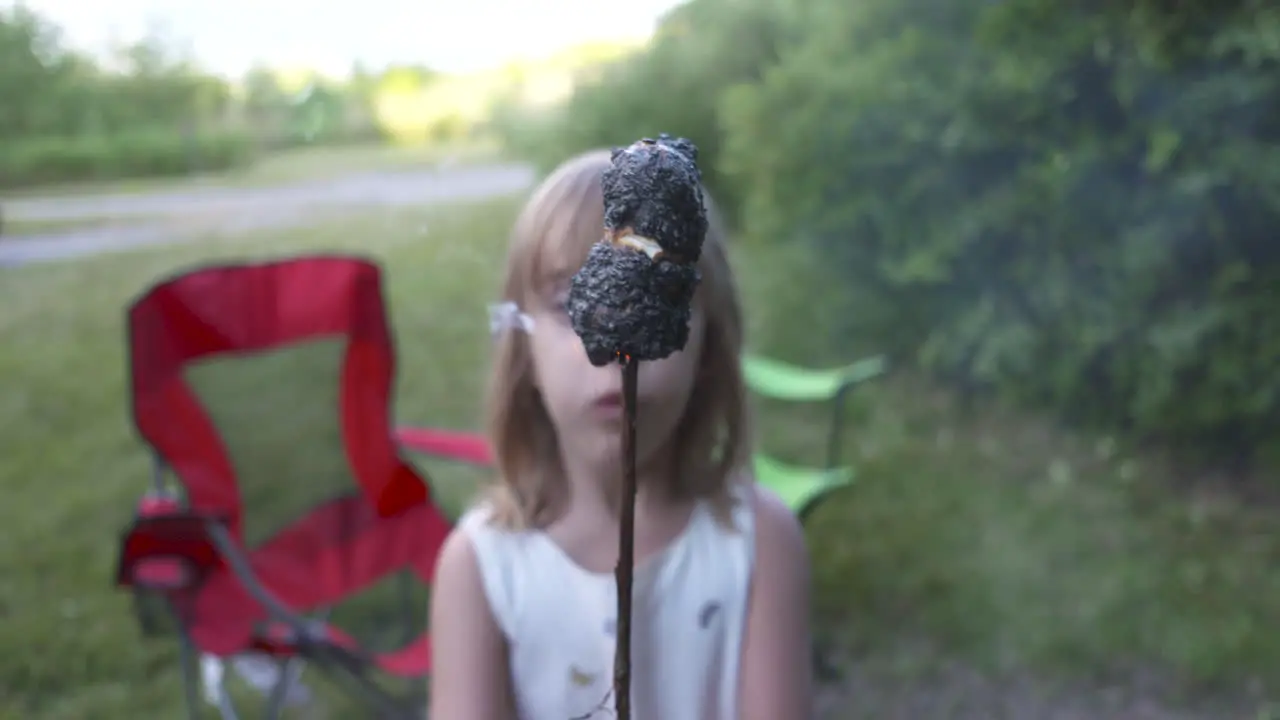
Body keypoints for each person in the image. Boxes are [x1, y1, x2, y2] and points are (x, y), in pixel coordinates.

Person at [429, 149, 813, 720]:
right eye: (571, 304)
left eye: (657, 298)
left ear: (709, 346)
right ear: (523, 348)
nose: (616, 347)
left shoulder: (760, 542)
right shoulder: (480, 568)